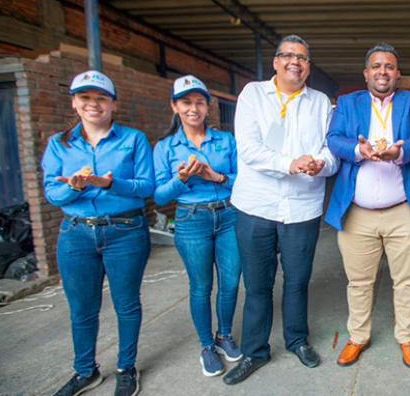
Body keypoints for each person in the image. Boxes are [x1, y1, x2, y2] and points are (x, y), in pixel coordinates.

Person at [223, 35, 339, 385]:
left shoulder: (320, 103)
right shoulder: (253, 95)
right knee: (258, 285)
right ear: (275, 62)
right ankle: (255, 351)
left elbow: (331, 150)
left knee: (298, 281)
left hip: (302, 208)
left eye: (303, 57)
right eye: (288, 55)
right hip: (256, 205)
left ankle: (297, 341)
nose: (296, 62)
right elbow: (249, 149)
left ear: (308, 65)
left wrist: (322, 164)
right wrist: (291, 163)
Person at [42, 70, 154, 396]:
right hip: (76, 234)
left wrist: (110, 183)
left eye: (101, 97)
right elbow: (53, 191)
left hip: (125, 230)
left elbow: (146, 186)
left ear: (113, 104)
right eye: (85, 97)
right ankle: (85, 372)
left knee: (126, 303)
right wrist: (73, 189)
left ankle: (126, 367)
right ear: (74, 103)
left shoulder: (132, 139)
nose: (94, 104)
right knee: (82, 309)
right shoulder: (59, 145)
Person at [326, 43, 410, 369]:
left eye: (389, 66)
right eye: (376, 66)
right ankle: (358, 336)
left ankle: (407, 336)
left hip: (404, 209)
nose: (382, 72)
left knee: (406, 280)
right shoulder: (348, 103)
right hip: (357, 212)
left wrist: (398, 153)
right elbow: (334, 139)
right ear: (366, 73)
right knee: (359, 282)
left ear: (397, 74)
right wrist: (359, 151)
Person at [152, 75, 241, 377]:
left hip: (229, 215)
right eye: (186, 102)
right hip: (191, 219)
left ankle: (224, 335)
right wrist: (182, 178)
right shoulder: (165, 147)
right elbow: (159, 194)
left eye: (200, 102)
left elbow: (244, 179)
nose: (194, 108)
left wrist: (215, 176)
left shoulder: (226, 140)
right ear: (175, 106)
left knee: (230, 282)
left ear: (207, 106)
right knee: (201, 286)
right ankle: (206, 345)